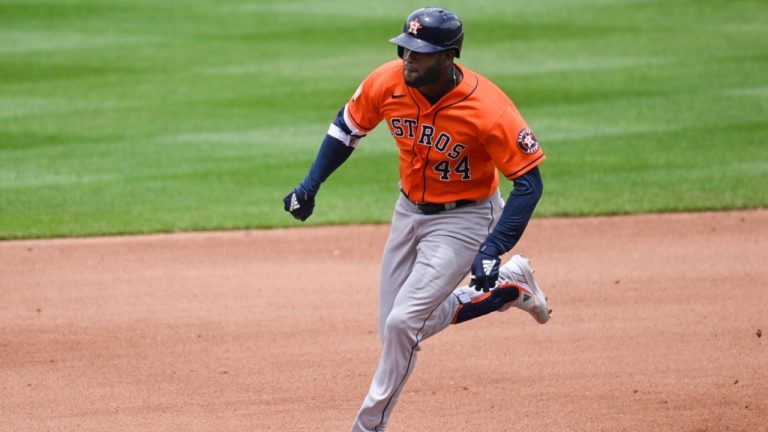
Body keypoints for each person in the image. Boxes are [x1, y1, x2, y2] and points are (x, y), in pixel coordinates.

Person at [283, 7, 551, 431]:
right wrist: (308, 186)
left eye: (421, 53)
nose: (408, 58)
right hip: (408, 211)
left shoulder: (489, 109)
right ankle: (507, 289)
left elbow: (529, 184)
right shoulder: (386, 82)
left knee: (403, 324)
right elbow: (345, 130)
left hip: (466, 218)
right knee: (398, 328)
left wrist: (493, 247)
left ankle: (369, 425)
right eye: (406, 48)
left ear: (449, 57)